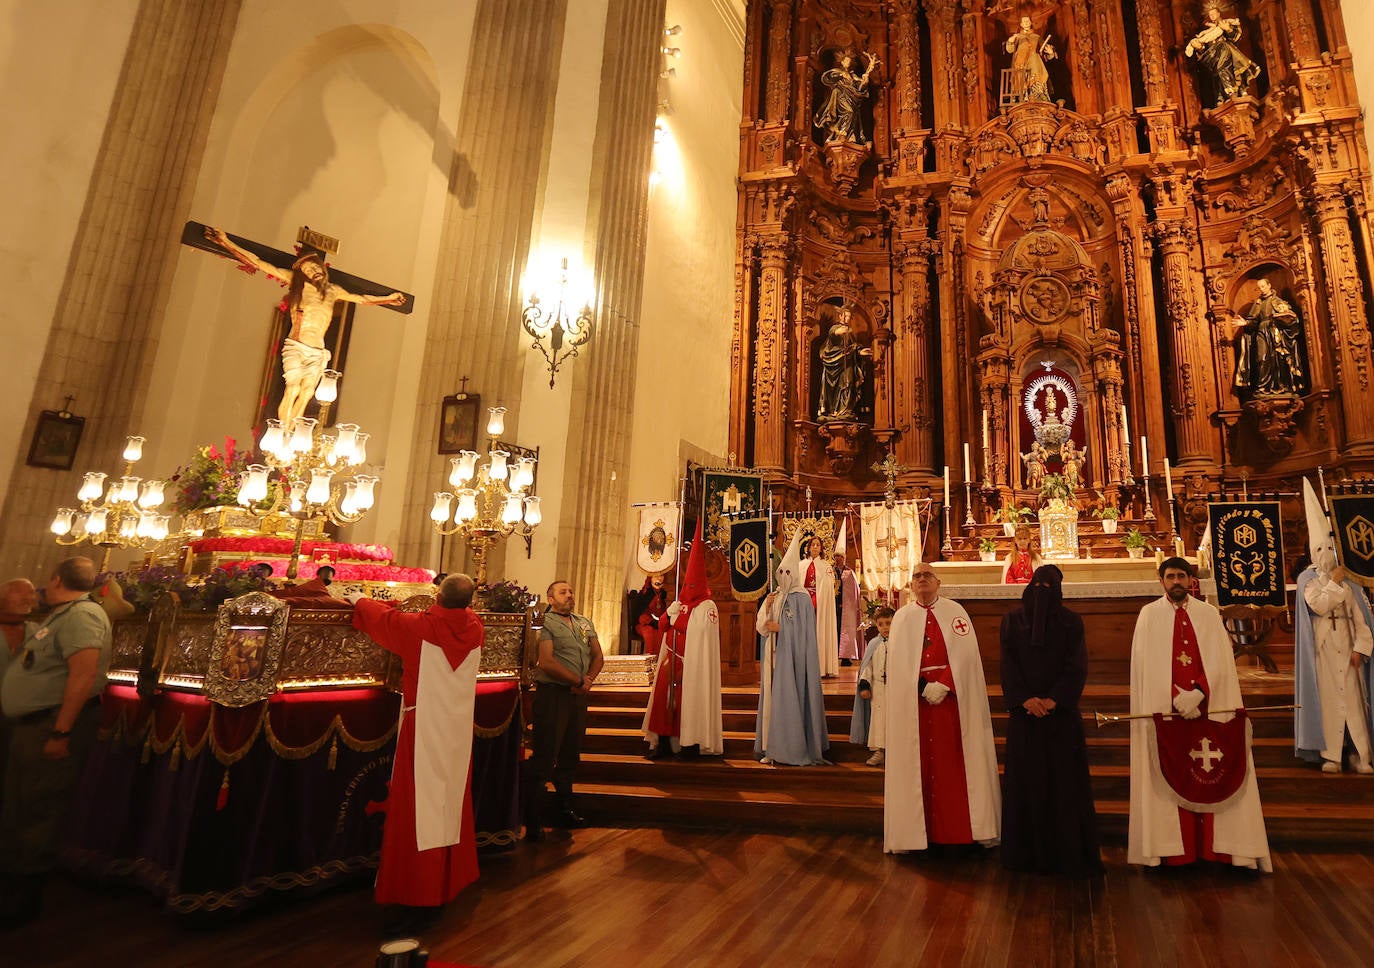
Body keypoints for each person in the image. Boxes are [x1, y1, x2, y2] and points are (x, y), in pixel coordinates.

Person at [346, 574, 484, 927]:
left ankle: (417, 886)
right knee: (449, 800)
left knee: (415, 805)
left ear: (437, 594)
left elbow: (383, 621)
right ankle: (449, 878)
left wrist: (359, 598)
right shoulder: (476, 628)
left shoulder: (420, 628)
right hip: (456, 727)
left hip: (423, 725)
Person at [1127, 557, 1272, 871]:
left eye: (1181, 576)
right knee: (1170, 773)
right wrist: (1175, 698)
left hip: (1209, 713)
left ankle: (1220, 850)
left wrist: (1198, 693)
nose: (1176, 581)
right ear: (1160, 580)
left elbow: (1221, 662)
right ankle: (1173, 851)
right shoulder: (1148, 615)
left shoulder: (1208, 615)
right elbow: (1145, 667)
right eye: (1170, 576)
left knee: (1212, 774)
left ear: (1191, 580)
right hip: (1167, 717)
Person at [0, 557, 112, 928]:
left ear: (56, 579)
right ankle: (11, 881)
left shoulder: (83, 615)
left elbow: (82, 675)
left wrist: (61, 732)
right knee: (19, 805)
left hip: (53, 725)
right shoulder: (61, 615)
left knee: (39, 809)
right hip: (32, 725)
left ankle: (23, 899)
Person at [204, 225, 406, 424]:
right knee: (292, 390)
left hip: (317, 351)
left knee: (308, 392)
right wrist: (225, 241)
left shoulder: (334, 291)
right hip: (297, 346)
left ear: (321, 266)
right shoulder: (297, 284)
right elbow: (258, 262)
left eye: (314, 266)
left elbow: (361, 298)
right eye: (307, 270)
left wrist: (389, 299)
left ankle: (291, 436)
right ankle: (282, 432)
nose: (312, 271)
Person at [883, 563, 1000, 853]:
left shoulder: (956, 612)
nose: (922, 580)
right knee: (918, 763)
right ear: (911, 585)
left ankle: (960, 833)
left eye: (927, 576)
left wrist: (945, 684)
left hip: (952, 703)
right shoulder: (901, 618)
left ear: (938, 582)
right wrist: (923, 686)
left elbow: (967, 657)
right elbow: (897, 664)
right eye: (917, 576)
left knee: (954, 764)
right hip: (917, 704)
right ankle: (916, 836)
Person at [999, 565, 1102, 875]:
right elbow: (1007, 664)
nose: (1043, 592)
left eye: (1049, 586)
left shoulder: (1072, 621)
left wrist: (1054, 699)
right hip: (1025, 716)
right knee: (1026, 783)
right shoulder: (1011, 620)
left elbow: (1077, 665)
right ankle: (1024, 855)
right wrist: (1024, 699)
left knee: (1065, 784)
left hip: (1061, 717)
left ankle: (1068, 853)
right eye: (1038, 585)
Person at [1295, 479, 1374, 774]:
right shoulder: (1308, 579)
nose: (1325, 552)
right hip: (1323, 648)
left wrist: (1361, 648)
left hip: (1349, 647)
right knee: (1329, 702)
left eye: (1330, 546)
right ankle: (1332, 755)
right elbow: (1318, 606)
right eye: (1320, 548)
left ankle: (1361, 755)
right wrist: (1335, 583)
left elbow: (1362, 618)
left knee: (1355, 703)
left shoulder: (1349, 578)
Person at [525, 579, 604, 839]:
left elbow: (597, 656)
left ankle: (564, 810)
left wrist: (588, 680)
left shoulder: (584, 622)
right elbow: (545, 661)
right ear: (551, 598)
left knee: (571, 754)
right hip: (553, 695)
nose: (569, 595)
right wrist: (577, 680)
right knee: (546, 754)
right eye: (563, 592)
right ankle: (534, 820)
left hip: (578, 696)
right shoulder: (545, 623)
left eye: (571, 591)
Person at [645, 523, 723, 758]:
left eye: (692, 585)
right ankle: (663, 743)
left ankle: (688, 743)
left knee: (685, 704)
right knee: (663, 702)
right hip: (670, 660)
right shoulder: (681, 602)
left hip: (692, 665)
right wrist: (669, 614)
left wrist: (678, 619)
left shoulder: (708, 606)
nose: (687, 589)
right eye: (685, 585)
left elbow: (700, 634)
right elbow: (661, 626)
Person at [755, 530, 829, 766]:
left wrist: (782, 629)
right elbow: (761, 627)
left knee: (790, 699)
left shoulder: (803, 598)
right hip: (773, 657)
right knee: (772, 702)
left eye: (788, 571)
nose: (784, 575)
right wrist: (766, 611)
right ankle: (771, 746)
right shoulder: (773, 596)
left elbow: (805, 633)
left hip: (794, 659)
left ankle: (792, 747)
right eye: (781, 572)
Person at [1230, 278, 1306, 398]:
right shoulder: (1258, 303)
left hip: (1276, 333)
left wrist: (1285, 319)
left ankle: (1282, 386)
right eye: (1259, 287)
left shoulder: (1279, 302)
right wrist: (1245, 323)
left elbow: (1292, 319)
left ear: (1269, 285)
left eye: (1263, 286)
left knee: (1279, 359)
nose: (1261, 289)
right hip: (1262, 332)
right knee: (1262, 358)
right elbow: (1253, 320)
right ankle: (1263, 386)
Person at [1184, 5, 1261, 107]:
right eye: (1210, 14)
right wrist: (1199, 47)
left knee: (1225, 67)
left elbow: (1235, 38)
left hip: (1226, 51)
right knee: (1219, 74)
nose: (1212, 16)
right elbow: (1204, 48)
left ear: (1219, 13)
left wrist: (1228, 29)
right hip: (1213, 56)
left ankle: (1233, 92)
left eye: (1214, 13)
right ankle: (1224, 96)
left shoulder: (1226, 23)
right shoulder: (1207, 32)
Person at [851, 606, 895, 767]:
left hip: (895, 691)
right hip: (877, 691)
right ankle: (879, 752)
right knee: (878, 721)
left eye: (889, 623)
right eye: (881, 624)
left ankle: (896, 753)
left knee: (894, 720)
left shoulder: (900, 643)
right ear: (877, 625)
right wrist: (864, 686)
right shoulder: (874, 644)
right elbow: (867, 666)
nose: (885, 627)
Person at [815, 307, 871, 422]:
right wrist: (839, 331)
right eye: (845, 316)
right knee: (835, 387)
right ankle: (833, 410)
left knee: (849, 383)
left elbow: (853, 346)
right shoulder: (835, 328)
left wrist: (861, 351)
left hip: (848, 363)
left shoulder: (849, 331)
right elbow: (832, 335)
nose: (847, 319)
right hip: (835, 363)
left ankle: (845, 410)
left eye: (849, 317)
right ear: (840, 316)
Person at [813, 48, 880, 144]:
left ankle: (848, 135)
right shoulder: (837, 72)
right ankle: (842, 133)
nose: (848, 63)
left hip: (851, 100)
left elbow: (860, 90)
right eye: (846, 61)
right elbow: (827, 78)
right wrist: (841, 74)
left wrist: (865, 82)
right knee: (849, 112)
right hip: (840, 98)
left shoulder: (853, 76)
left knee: (853, 114)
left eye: (849, 61)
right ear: (842, 62)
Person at [803, 535, 840, 679]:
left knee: (819, 632)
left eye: (818, 545)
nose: (815, 547)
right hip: (804, 601)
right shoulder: (801, 565)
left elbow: (829, 587)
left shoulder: (826, 567)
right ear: (809, 547)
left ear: (821, 548)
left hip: (819, 603)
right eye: (813, 545)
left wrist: (820, 595)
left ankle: (821, 666)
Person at [1004, 16, 1056, 104]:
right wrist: (1010, 41)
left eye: (1027, 21)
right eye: (1024, 21)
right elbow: (1010, 50)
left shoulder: (1037, 37)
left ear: (1031, 23)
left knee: (1036, 68)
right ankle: (1023, 97)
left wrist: (1050, 53)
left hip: (1035, 62)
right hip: (1020, 62)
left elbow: (1045, 52)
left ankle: (1038, 95)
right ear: (1021, 24)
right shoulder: (1017, 37)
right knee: (1021, 79)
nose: (1026, 22)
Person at [834, 551, 861, 666]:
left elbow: (853, 591)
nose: (838, 559)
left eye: (840, 556)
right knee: (834, 629)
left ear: (844, 558)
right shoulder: (830, 571)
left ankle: (845, 656)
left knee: (845, 631)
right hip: (833, 606)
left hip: (846, 607)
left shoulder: (849, 572)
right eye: (836, 556)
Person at [0, 580, 36, 659]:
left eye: (31, 593)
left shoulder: (37, 630)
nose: (27, 598)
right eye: (18, 591)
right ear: (1, 596)